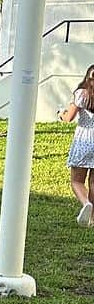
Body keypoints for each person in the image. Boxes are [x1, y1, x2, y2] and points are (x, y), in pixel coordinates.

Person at [58, 63, 94, 227]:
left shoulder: (82, 94)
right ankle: (92, 218)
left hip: (84, 139)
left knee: (77, 181)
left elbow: (69, 117)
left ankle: (86, 203)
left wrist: (61, 113)